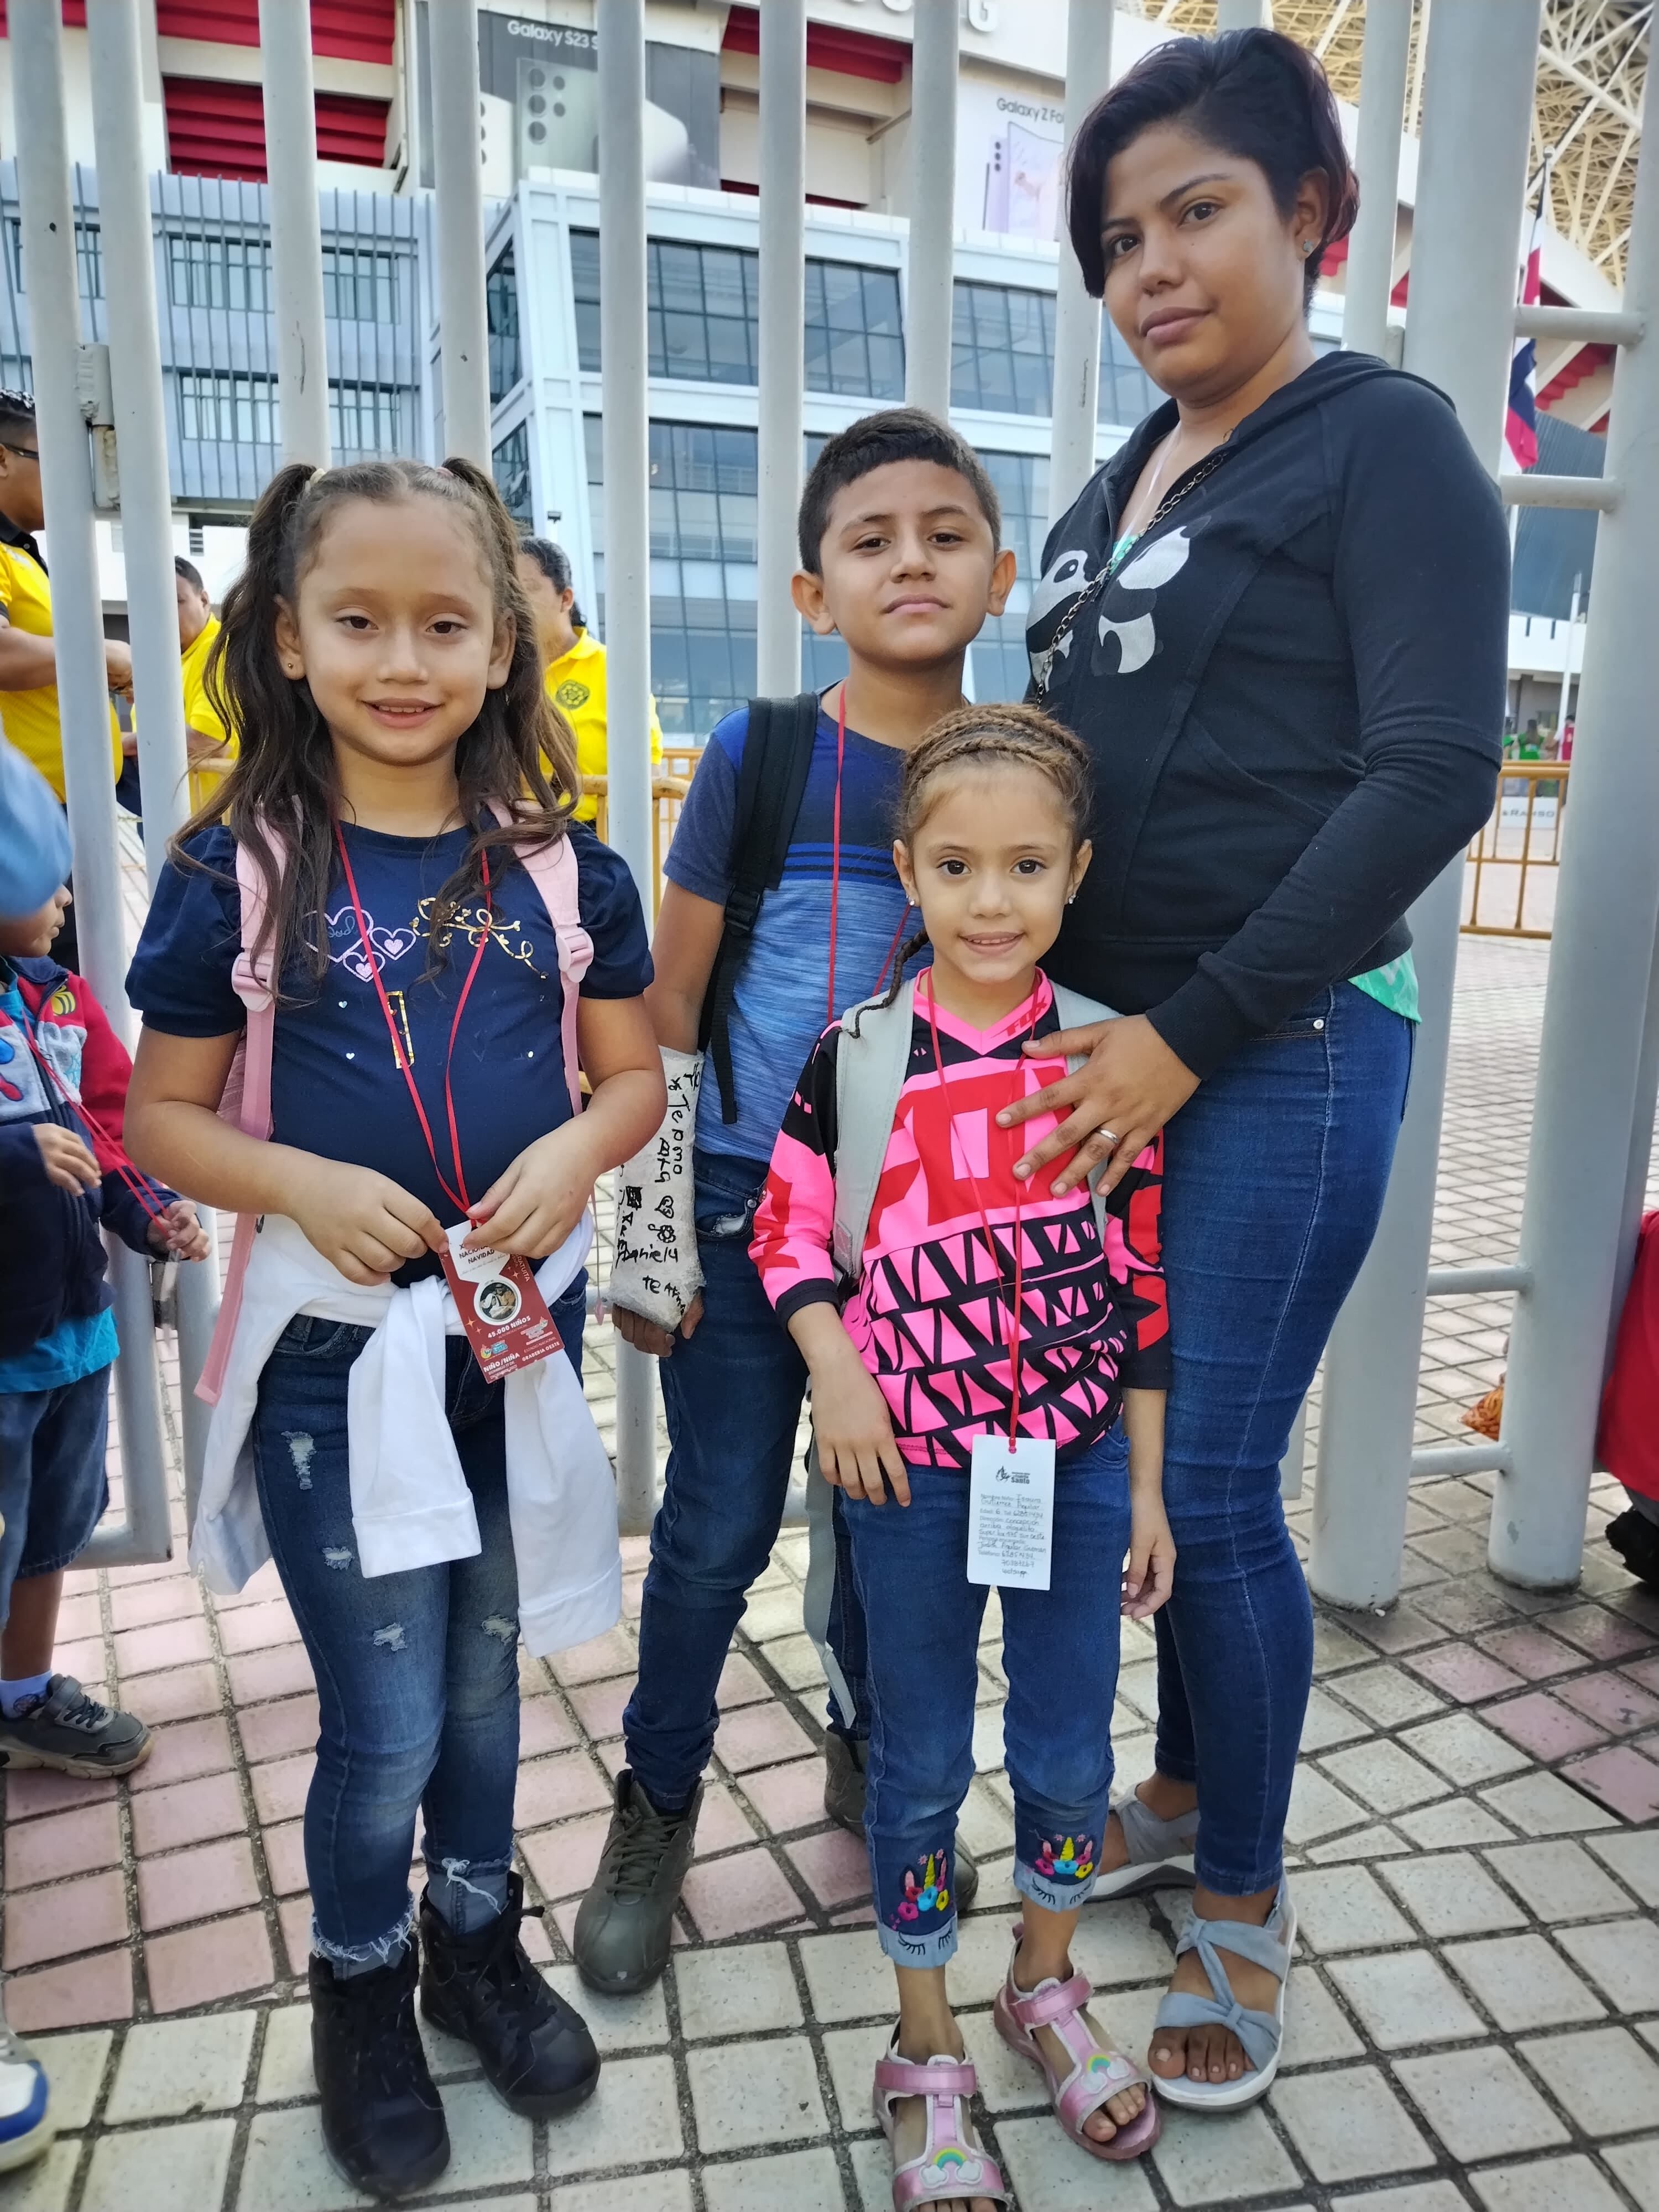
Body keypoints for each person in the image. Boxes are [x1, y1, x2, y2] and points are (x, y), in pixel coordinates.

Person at [1010, 29, 1507, 2113]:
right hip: (1085, 1062)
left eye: (1195, 211)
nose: (1149, 269)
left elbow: (1428, 773)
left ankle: (1239, 1884)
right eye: (1115, 238)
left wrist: (1180, 1036)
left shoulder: (1379, 443)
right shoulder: (1105, 483)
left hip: (1273, 1050)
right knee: (1137, 1485)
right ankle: (1183, 1771)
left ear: (1310, 216)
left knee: (1206, 1487)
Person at [123, 456, 667, 2200]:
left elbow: (635, 1073)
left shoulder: (565, 869)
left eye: (447, 621)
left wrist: (581, 1147)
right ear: (286, 639)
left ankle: (470, 1935)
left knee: (488, 1688)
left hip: (506, 1342)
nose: (405, 658)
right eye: (359, 620)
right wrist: (292, 1182)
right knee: (383, 1715)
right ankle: (359, 1979)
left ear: (507, 644)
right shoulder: (236, 868)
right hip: (327, 1364)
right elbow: (162, 1120)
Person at [575, 409, 1012, 1995]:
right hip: (750, 1213)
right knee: (715, 1526)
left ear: (1002, 572)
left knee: (902, 1531)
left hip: (936, 1248)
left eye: (946, 532)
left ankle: (874, 1750)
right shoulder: (764, 757)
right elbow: (670, 1006)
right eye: (870, 537)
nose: (912, 559)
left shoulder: (1015, 771)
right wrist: (647, 1233)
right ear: (813, 590)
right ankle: (659, 1803)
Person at [752, 707, 1175, 2207]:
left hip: (1063, 1473)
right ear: (907, 874)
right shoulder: (856, 1058)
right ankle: (920, 2039)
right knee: (921, 1759)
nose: (990, 901)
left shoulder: (1107, 1060)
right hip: (907, 1479)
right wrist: (841, 1379)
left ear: (1074, 872)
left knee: (1070, 1752)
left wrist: (1142, 1486)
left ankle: (1042, 1987)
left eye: (1025, 866)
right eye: (956, 867)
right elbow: (786, 1233)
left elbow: (1142, 1288)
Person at [0, 879, 208, 1777]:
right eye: (31, 869)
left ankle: (22, 1699)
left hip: (71, 1325)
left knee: (54, 1522)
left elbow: (110, 1132)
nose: (60, 891)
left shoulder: (64, 998)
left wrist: (154, 1210)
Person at [0, 390, 128, 968]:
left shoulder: (22, 553)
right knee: (45, 974)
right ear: (4, 459)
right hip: (26, 823)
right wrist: (96, 652)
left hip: (62, 810)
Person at [515, 538, 662, 822]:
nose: (516, 604)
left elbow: (649, 769)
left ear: (565, 599)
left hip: (594, 833)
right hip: (515, 832)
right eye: (509, 592)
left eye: (528, 589)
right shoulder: (499, 670)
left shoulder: (613, 670)